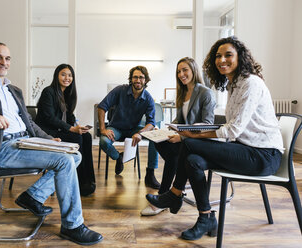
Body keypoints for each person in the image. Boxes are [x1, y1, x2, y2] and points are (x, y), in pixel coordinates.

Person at [0, 42, 103, 246]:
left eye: (7, 58)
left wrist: (50, 140)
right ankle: (72, 225)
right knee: (64, 161)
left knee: (74, 155)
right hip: (1, 147)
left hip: (25, 141)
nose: (3, 62)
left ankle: (32, 196)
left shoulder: (13, 89)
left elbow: (29, 123)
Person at [145, 36, 283, 241]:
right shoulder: (232, 85)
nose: (222, 60)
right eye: (218, 56)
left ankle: (174, 194)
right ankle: (206, 217)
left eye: (228, 55)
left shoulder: (251, 83)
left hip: (264, 155)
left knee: (190, 143)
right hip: (243, 148)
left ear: (240, 58)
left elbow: (233, 129)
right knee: (193, 160)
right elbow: (231, 128)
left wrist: (193, 134)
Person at [141, 57, 215, 216]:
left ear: (193, 70)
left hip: (199, 142)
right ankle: (174, 195)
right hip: (185, 140)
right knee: (158, 142)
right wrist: (166, 130)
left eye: (185, 70)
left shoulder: (205, 93)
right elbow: (179, 121)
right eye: (178, 71)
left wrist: (181, 137)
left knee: (175, 155)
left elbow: (207, 124)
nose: (181, 74)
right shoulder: (183, 93)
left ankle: (164, 197)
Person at [35, 64, 96, 197]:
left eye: (70, 75)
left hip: (58, 129)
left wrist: (77, 125)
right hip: (48, 132)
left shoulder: (66, 94)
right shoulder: (49, 91)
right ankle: (77, 182)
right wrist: (71, 128)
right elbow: (49, 117)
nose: (67, 78)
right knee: (76, 138)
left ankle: (88, 179)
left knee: (86, 136)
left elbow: (69, 116)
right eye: (63, 74)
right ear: (56, 75)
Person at [97, 65, 160, 189]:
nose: (138, 80)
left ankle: (150, 174)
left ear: (146, 80)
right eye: (135, 77)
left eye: (141, 77)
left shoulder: (148, 98)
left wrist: (140, 133)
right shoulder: (120, 90)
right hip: (117, 128)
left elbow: (151, 123)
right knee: (103, 141)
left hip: (134, 129)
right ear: (130, 79)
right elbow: (101, 107)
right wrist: (103, 129)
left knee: (155, 137)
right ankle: (118, 157)